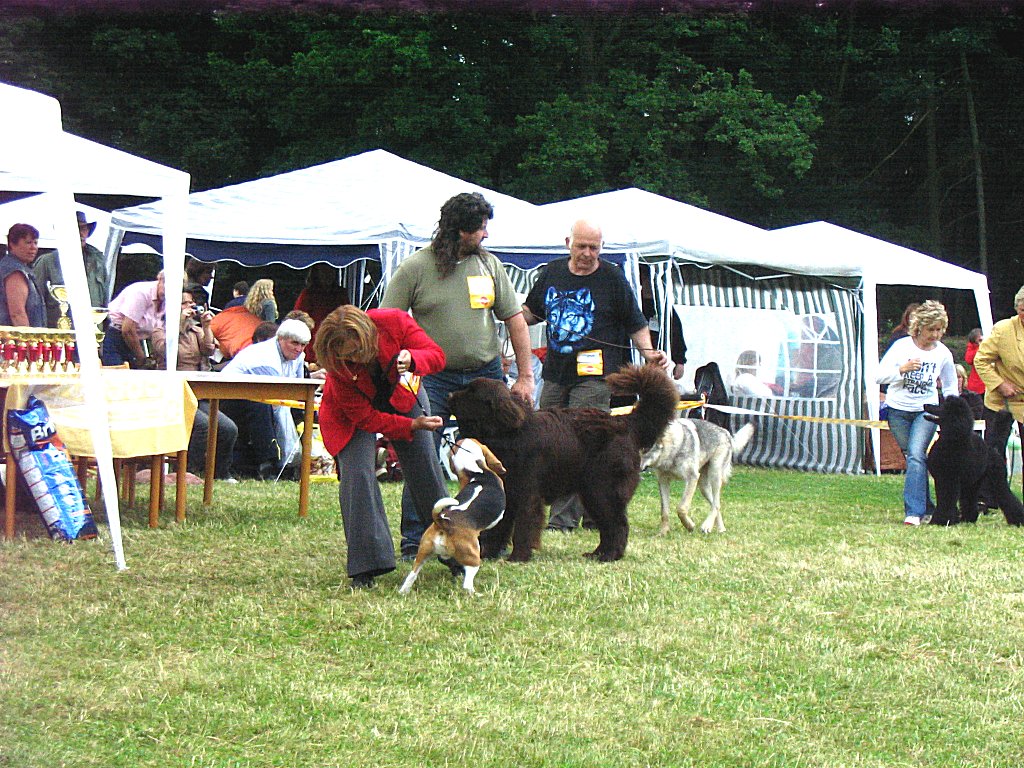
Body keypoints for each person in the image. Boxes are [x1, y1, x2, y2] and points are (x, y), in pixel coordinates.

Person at [380, 192, 535, 557]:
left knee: (495, 458)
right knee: (423, 454)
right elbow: (387, 323)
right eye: (481, 228)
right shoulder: (416, 268)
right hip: (432, 379)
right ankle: (414, 539)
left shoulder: (490, 266)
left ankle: (491, 538)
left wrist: (526, 376)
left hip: (486, 377)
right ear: (460, 230)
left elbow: (515, 321)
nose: (485, 235)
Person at [523, 219, 667, 532]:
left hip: (597, 374)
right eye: (582, 246)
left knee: (576, 443)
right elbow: (531, 312)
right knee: (547, 439)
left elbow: (635, 321)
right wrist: (503, 311)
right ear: (568, 243)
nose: (588, 253)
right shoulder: (552, 272)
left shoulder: (612, 278)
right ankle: (592, 513)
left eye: (594, 247)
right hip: (556, 372)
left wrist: (648, 354)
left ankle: (562, 521)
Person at [315, 305, 449, 589]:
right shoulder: (337, 366)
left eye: (356, 351)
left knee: (425, 465)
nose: (353, 359)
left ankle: (456, 550)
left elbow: (437, 356)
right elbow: (365, 417)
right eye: (346, 357)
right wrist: (410, 426)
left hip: (403, 390)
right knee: (357, 476)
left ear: (367, 335)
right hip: (352, 414)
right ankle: (366, 567)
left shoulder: (393, 322)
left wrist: (412, 358)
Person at [875, 300, 956, 526]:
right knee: (914, 458)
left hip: (926, 412)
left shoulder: (943, 354)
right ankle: (928, 507)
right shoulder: (902, 347)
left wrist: (951, 413)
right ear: (919, 327)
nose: (936, 335)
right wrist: (901, 370)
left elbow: (950, 388)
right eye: (932, 329)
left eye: (940, 329)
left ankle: (913, 512)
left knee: (916, 454)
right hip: (898, 410)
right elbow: (878, 376)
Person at [151, 288, 238, 482]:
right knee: (202, 426)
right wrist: (179, 323)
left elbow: (209, 351)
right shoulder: (160, 330)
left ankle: (220, 473)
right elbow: (163, 350)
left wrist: (207, 327)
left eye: (191, 303)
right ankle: (187, 471)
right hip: (174, 393)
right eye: (184, 303)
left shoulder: (196, 331)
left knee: (228, 428)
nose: (190, 307)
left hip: (199, 391)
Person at [220, 318, 311, 479]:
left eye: (303, 345)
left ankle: (298, 462)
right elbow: (278, 401)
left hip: (254, 396)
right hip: (228, 398)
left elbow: (298, 390)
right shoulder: (266, 359)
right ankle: (269, 463)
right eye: (294, 343)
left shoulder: (298, 355)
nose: (299, 349)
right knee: (264, 407)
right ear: (281, 339)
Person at [973, 286, 1024, 502]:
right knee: (993, 452)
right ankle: (986, 497)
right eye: (1022, 309)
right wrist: (999, 383)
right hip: (1001, 402)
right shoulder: (1003, 330)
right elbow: (981, 360)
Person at [33, 211, 111, 327]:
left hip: (92, 332)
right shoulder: (47, 262)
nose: (80, 233)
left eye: (83, 229)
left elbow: (104, 301)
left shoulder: (98, 261)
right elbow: (36, 305)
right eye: (75, 229)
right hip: (59, 335)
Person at [100, 271, 165, 367]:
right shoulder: (141, 292)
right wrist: (141, 357)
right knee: (116, 376)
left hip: (139, 340)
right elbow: (127, 330)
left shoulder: (169, 299)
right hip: (118, 337)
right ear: (159, 279)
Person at [292, 263, 349, 365]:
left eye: (330, 272)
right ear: (316, 274)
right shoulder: (308, 294)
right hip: (313, 340)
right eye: (324, 272)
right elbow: (298, 317)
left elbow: (348, 314)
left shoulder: (340, 293)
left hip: (335, 339)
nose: (327, 275)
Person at [1, 223, 45, 327]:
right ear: (12, 244)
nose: (33, 247)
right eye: (28, 242)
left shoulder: (18, 268)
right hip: (16, 341)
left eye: (35, 242)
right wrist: (29, 341)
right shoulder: (14, 270)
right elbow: (17, 314)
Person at [964, 327, 986, 395]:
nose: (979, 343)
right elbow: (969, 360)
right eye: (978, 341)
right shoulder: (972, 347)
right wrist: (979, 348)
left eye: (980, 340)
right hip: (977, 384)